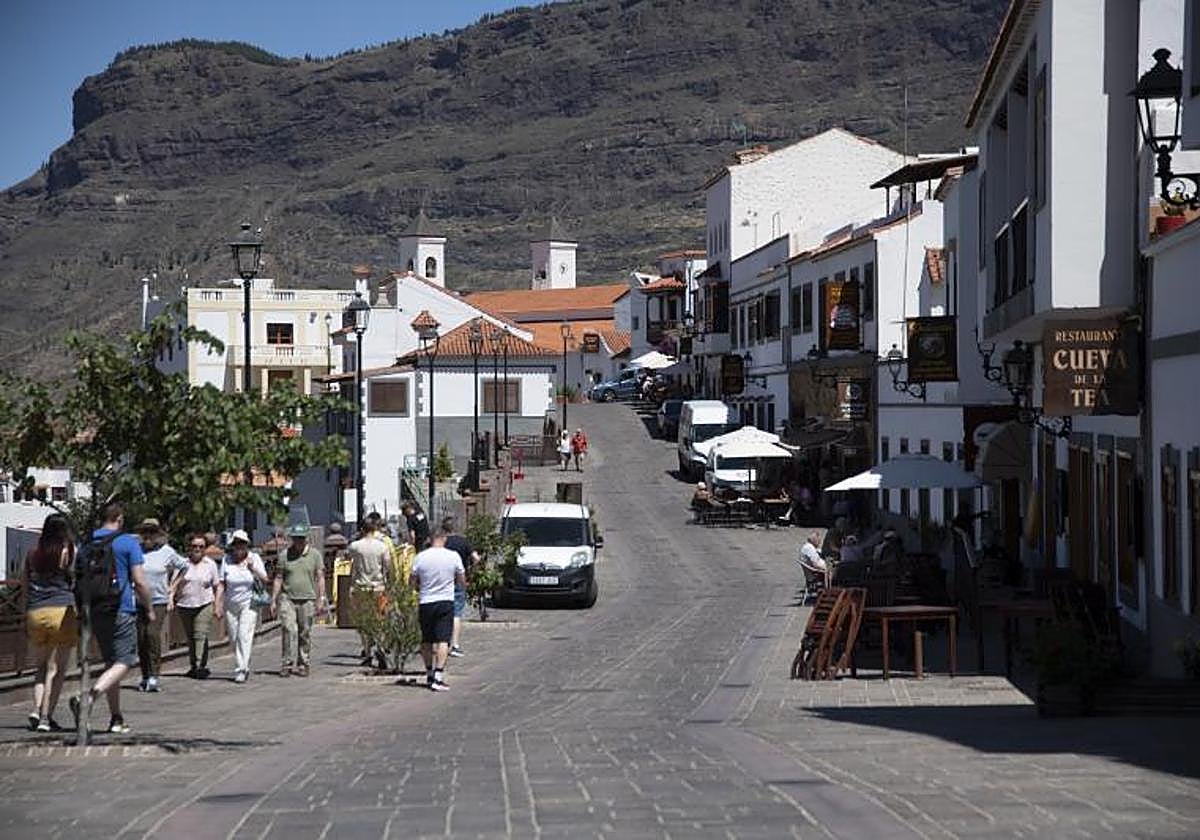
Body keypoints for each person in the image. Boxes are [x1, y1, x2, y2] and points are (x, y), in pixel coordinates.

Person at [71, 501, 153, 735]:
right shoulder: (127, 542)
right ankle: (87, 698)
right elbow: (139, 581)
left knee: (111, 664)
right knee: (126, 661)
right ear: (120, 519)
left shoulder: (86, 542)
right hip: (121, 608)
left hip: (93, 610)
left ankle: (116, 718)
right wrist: (148, 608)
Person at [20, 513, 77, 732]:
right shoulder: (68, 552)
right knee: (58, 669)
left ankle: (35, 708)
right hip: (61, 611)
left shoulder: (32, 553)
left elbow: (24, 584)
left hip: (36, 612)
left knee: (41, 666)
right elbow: (76, 580)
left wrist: (26, 612)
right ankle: (46, 717)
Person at [134, 518, 186, 692]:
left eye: (152, 532)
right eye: (145, 533)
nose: (148, 537)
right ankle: (145, 675)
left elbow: (184, 566)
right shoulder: (136, 551)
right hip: (139, 600)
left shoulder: (166, 552)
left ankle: (154, 674)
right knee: (141, 638)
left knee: (152, 634)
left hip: (158, 600)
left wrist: (173, 586)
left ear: (157, 535)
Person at [409, 530, 465, 691]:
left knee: (426, 639)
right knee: (443, 640)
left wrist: (416, 589)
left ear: (430, 539)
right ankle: (438, 675)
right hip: (445, 601)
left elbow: (412, 579)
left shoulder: (421, 556)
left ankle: (429, 673)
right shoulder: (453, 556)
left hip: (426, 601)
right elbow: (461, 578)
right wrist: (459, 587)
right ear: (444, 539)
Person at [271, 524, 327, 677]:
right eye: (296, 538)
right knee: (288, 629)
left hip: (308, 598)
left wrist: (321, 598)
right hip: (288, 598)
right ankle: (286, 663)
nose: (298, 542)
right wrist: (274, 599)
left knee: (305, 632)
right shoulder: (284, 555)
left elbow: (320, 577)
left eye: (301, 538)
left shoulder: (315, 555)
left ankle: (303, 663)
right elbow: (278, 577)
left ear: (306, 539)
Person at [171, 526, 223, 679]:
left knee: (200, 633)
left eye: (201, 546)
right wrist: (171, 598)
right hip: (185, 604)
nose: (197, 549)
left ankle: (200, 666)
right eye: (194, 546)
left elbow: (217, 585)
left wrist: (218, 604)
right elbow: (174, 583)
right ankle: (194, 664)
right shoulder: (182, 563)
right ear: (189, 547)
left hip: (204, 603)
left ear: (205, 548)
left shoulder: (210, 564)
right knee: (191, 636)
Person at [219, 531, 269, 683]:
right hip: (231, 603)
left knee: (244, 635)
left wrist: (253, 567)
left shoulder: (254, 558)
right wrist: (217, 603)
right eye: (237, 544)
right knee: (234, 638)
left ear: (247, 545)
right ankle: (242, 662)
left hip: (249, 602)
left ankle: (242, 668)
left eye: (242, 544)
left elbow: (265, 578)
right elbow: (222, 583)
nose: (239, 547)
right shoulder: (226, 560)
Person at [348, 517, 390, 667]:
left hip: (361, 587)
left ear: (362, 530)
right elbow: (388, 566)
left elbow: (351, 563)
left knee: (364, 621)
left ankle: (367, 651)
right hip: (379, 586)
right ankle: (381, 647)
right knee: (380, 620)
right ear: (375, 529)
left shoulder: (355, 546)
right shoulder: (382, 546)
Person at [441, 516, 479, 659]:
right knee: (456, 613)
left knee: (442, 611)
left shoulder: (441, 543)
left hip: (442, 580)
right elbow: (476, 558)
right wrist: (470, 571)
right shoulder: (463, 542)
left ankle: (440, 643)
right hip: (459, 580)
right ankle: (454, 645)